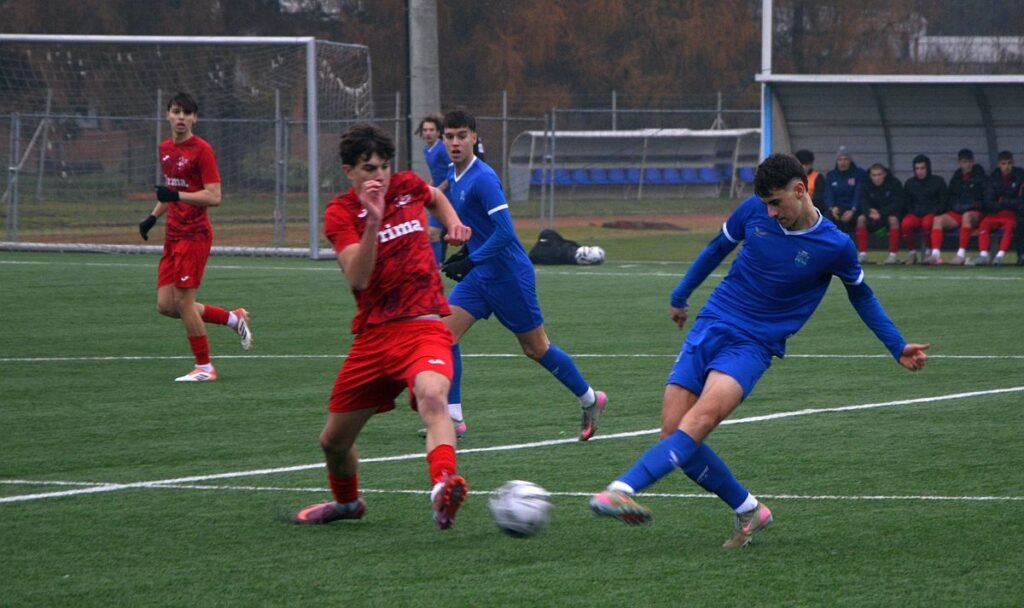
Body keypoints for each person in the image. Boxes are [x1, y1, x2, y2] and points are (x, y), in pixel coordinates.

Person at [588, 153, 929, 548]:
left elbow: (861, 295)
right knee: (672, 432)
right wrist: (680, 294)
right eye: (765, 204)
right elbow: (717, 247)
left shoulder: (835, 245)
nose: (769, 212)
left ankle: (622, 488)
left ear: (799, 190)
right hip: (712, 323)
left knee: (699, 421)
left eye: (776, 203)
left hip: (753, 345)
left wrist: (895, 344)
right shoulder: (754, 211)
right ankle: (749, 509)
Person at [293, 124, 473, 528]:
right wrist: (373, 221)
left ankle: (443, 485)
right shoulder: (341, 213)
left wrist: (454, 223)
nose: (380, 176)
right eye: (369, 168)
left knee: (433, 397)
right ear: (349, 172)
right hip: (374, 338)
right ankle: (347, 504)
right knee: (333, 442)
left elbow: (435, 196)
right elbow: (358, 278)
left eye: (384, 167)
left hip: (423, 328)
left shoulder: (406, 186)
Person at [438, 109, 606, 441]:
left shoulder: (483, 178)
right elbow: (482, 228)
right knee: (443, 335)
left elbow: (505, 233)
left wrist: (473, 260)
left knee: (536, 348)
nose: (455, 142)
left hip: (508, 275)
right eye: (450, 136)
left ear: (474, 138)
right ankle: (453, 418)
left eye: (462, 136)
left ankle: (591, 399)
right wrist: (468, 254)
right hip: (481, 275)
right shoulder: (453, 175)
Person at [137, 92, 252, 382]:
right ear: (167, 114)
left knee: (185, 302)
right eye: (176, 111)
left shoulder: (202, 150)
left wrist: (176, 196)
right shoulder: (165, 148)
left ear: (195, 119)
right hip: (173, 235)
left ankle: (205, 368)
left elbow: (214, 197)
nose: (181, 117)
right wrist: (152, 217)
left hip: (195, 235)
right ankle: (232, 318)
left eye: (187, 113)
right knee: (166, 305)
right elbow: (170, 190)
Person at [926, 148, 989, 265]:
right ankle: (936, 255)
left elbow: (984, 199)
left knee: (966, 216)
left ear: (973, 161)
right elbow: (950, 197)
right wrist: (954, 207)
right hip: (957, 211)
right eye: (964, 162)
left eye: (969, 161)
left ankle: (960, 254)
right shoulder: (956, 179)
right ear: (959, 163)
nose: (967, 165)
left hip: (974, 212)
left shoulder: (981, 177)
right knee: (937, 219)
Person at [970, 150, 1021, 265]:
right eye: (1004, 163)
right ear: (999, 164)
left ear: (1013, 163)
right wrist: (1004, 203)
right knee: (984, 224)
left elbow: (1019, 201)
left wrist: (1002, 201)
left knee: (1010, 226)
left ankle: (1000, 256)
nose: (1007, 167)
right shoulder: (993, 179)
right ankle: (984, 255)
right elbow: (989, 201)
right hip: (995, 213)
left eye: (1009, 163)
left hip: (1011, 214)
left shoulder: (1019, 177)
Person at [415, 113, 451, 264]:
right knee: (432, 234)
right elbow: (437, 172)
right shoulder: (427, 150)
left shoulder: (442, 148)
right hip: (440, 194)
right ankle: (436, 266)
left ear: (438, 132)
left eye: (431, 130)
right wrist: (429, 185)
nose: (428, 133)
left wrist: (441, 188)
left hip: (451, 194)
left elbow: (453, 170)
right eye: (425, 130)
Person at [900, 154, 948, 264]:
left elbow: (943, 202)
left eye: (922, 168)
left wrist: (933, 211)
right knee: (906, 224)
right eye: (917, 169)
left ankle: (929, 251)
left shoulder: (938, 181)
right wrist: (914, 211)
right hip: (915, 214)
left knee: (927, 223)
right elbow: (906, 203)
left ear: (928, 168)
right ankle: (912, 253)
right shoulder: (910, 183)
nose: (919, 171)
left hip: (932, 213)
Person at [860, 163, 905, 264]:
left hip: (888, 218)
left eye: (879, 175)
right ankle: (863, 255)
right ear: (870, 176)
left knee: (893, 220)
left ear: (885, 174)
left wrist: (881, 213)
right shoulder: (865, 184)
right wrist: (869, 212)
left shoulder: (894, 183)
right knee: (861, 219)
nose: (877, 178)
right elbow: (863, 202)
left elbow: (898, 203)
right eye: (874, 175)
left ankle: (893, 256)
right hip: (872, 218)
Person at [824, 146, 868, 236]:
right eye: (840, 159)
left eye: (845, 159)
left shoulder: (859, 174)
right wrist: (832, 208)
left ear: (850, 161)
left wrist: (853, 210)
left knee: (861, 218)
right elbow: (828, 194)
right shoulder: (831, 175)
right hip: (837, 208)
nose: (842, 162)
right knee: (825, 218)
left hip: (854, 209)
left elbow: (859, 194)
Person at [794, 149, 826, 217]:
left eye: (806, 164)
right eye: (801, 164)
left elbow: (818, 198)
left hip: (812, 210)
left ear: (811, 164)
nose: (804, 167)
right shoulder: (792, 178)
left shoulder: (818, 177)